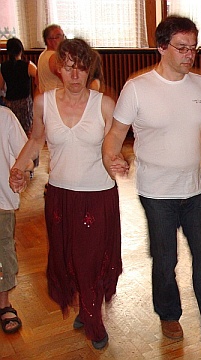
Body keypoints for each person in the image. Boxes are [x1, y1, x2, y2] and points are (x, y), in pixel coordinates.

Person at [102, 16, 201, 349]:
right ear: (161, 47)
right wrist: (112, 157)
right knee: (166, 261)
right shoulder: (137, 89)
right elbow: (115, 135)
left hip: (196, 190)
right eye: (181, 48)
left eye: (194, 47)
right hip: (157, 193)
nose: (189, 55)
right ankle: (168, 314)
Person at [9, 38, 122, 350]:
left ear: (89, 70)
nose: (75, 74)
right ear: (58, 68)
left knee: (92, 260)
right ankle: (86, 306)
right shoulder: (44, 101)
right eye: (69, 67)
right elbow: (35, 140)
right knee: (68, 257)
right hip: (60, 197)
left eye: (81, 68)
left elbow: (113, 146)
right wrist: (19, 167)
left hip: (97, 195)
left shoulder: (105, 104)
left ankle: (92, 317)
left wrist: (117, 160)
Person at [0, 106, 33, 334]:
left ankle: (3, 304)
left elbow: (26, 154)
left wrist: (21, 171)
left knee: (3, 252)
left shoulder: (5, 117)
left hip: (0, 201)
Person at [0, 37, 38, 137]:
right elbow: (39, 78)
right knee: (27, 131)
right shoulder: (28, 65)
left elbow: (1, 86)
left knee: (12, 131)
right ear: (21, 49)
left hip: (10, 102)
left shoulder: (3, 66)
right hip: (24, 103)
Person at [37, 24, 65, 94]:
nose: (63, 40)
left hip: (47, 97)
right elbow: (66, 80)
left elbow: (36, 81)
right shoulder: (54, 57)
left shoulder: (43, 54)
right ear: (49, 41)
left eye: (63, 36)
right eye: (59, 37)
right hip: (57, 98)